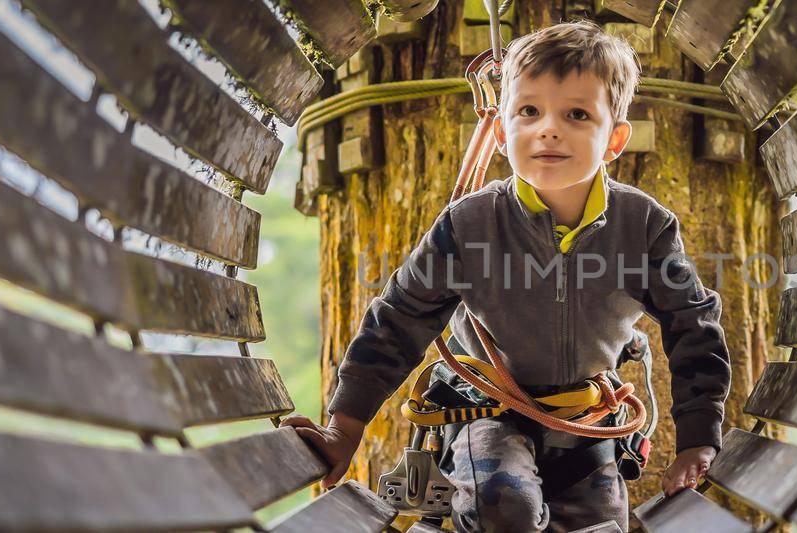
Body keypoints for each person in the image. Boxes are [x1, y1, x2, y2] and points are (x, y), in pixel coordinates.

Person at [280, 21, 731, 532]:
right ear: (500, 132)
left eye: (577, 114)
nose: (548, 128)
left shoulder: (644, 226)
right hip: (485, 417)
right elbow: (398, 321)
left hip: (584, 423)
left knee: (601, 528)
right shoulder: (469, 224)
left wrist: (698, 439)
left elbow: (693, 325)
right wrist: (343, 428)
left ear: (615, 139)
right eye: (529, 111)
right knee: (506, 508)